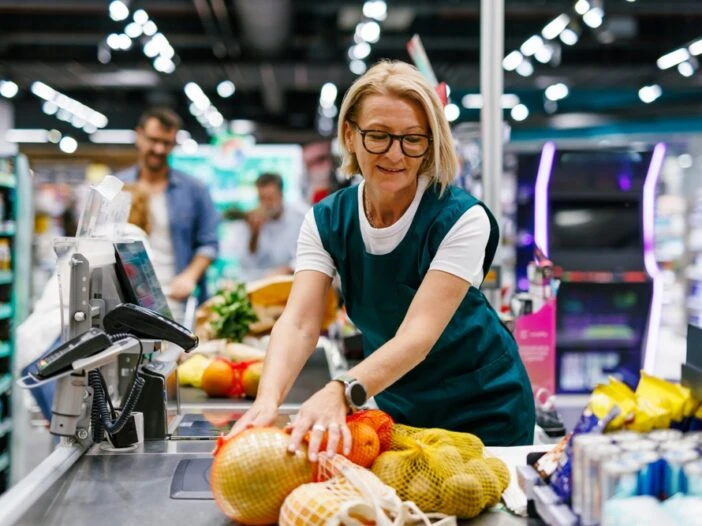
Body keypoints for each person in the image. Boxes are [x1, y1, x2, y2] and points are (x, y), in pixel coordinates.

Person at [227, 60, 535, 457]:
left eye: (412, 139)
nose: (395, 154)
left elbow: (417, 337)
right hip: (400, 410)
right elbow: (300, 322)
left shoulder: (461, 219)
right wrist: (266, 402)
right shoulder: (327, 220)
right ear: (350, 135)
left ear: (430, 143)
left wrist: (342, 390)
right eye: (379, 136)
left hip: (486, 411)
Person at [18, 184, 155, 419]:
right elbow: (144, 295)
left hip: (41, 342)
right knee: (69, 425)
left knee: (65, 427)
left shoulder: (102, 235)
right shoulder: (131, 236)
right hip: (58, 342)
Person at [115, 107, 219, 322]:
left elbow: (209, 244)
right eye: (153, 140)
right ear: (139, 136)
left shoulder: (194, 190)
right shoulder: (119, 187)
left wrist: (190, 277)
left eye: (167, 143)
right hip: (126, 300)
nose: (159, 149)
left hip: (176, 300)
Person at [226, 172, 306, 281]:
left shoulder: (300, 218)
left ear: (281, 195)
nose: (267, 204)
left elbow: (306, 256)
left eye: (271, 197)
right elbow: (246, 265)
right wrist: (254, 234)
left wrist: (289, 269)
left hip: (291, 281)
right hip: (259, 283)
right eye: (262, 198)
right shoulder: (251, 220)